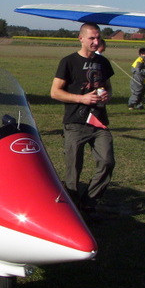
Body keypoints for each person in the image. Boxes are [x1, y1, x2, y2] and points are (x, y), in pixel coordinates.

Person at [50, 23, 115, 214]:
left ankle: (89, 202)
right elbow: (55, 92)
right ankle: (71, 210)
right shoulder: (68, 62)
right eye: (91, 38)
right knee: (73, 171)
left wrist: (107, 96)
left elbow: (108, 87)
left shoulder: (103, 62)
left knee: (107, 161)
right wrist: (82, 99)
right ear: (81, 38)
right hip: (75, 123)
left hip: (99, 121)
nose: (96, 41)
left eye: (98, 38)